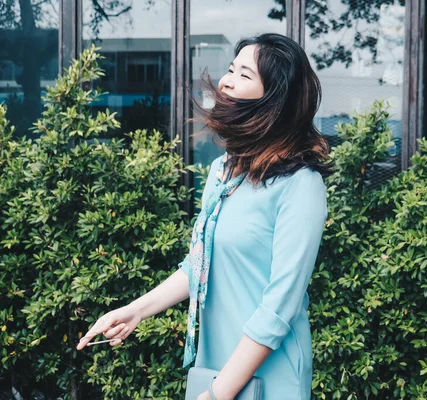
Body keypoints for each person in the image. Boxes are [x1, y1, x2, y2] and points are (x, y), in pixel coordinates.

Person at [76, 32, 331, 400]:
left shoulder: (300, 185)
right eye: (231, 68)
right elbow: (200, 264)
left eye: (244, 75)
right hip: (215, 363)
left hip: (269, 373)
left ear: (275, 100)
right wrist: (135, 311)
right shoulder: (222, 172)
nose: (226, 80)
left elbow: (280, 307)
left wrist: (218, 393)